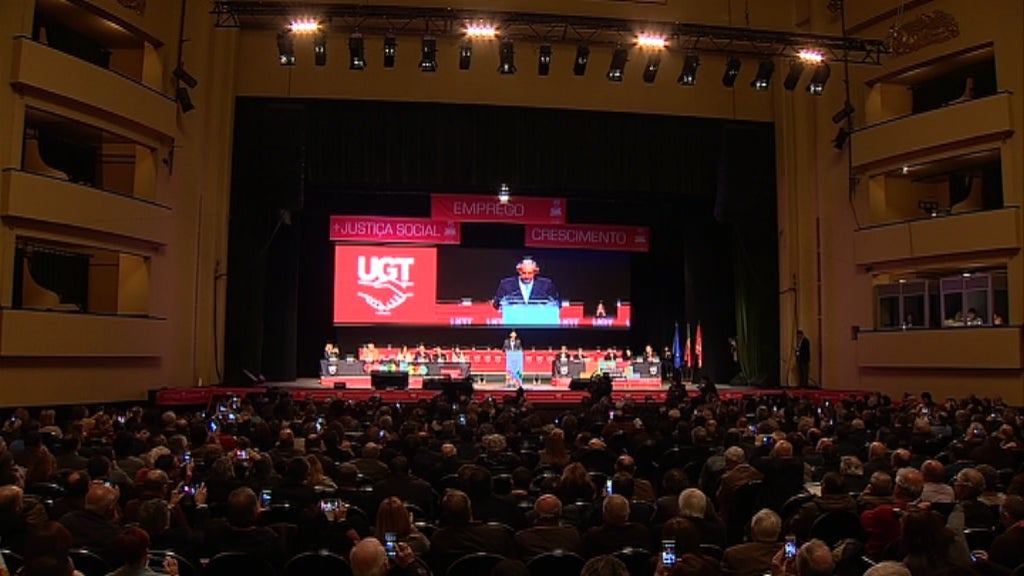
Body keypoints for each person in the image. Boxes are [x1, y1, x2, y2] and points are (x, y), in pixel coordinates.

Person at [492, 258, 560, 308]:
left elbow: (557, 303)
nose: (527, 276)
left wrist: (544, 308)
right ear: (519, 271)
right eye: (524, 273)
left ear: (535, 272)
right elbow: (497, 304)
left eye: (530, 273)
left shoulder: (546, 285)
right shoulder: (506, 284)